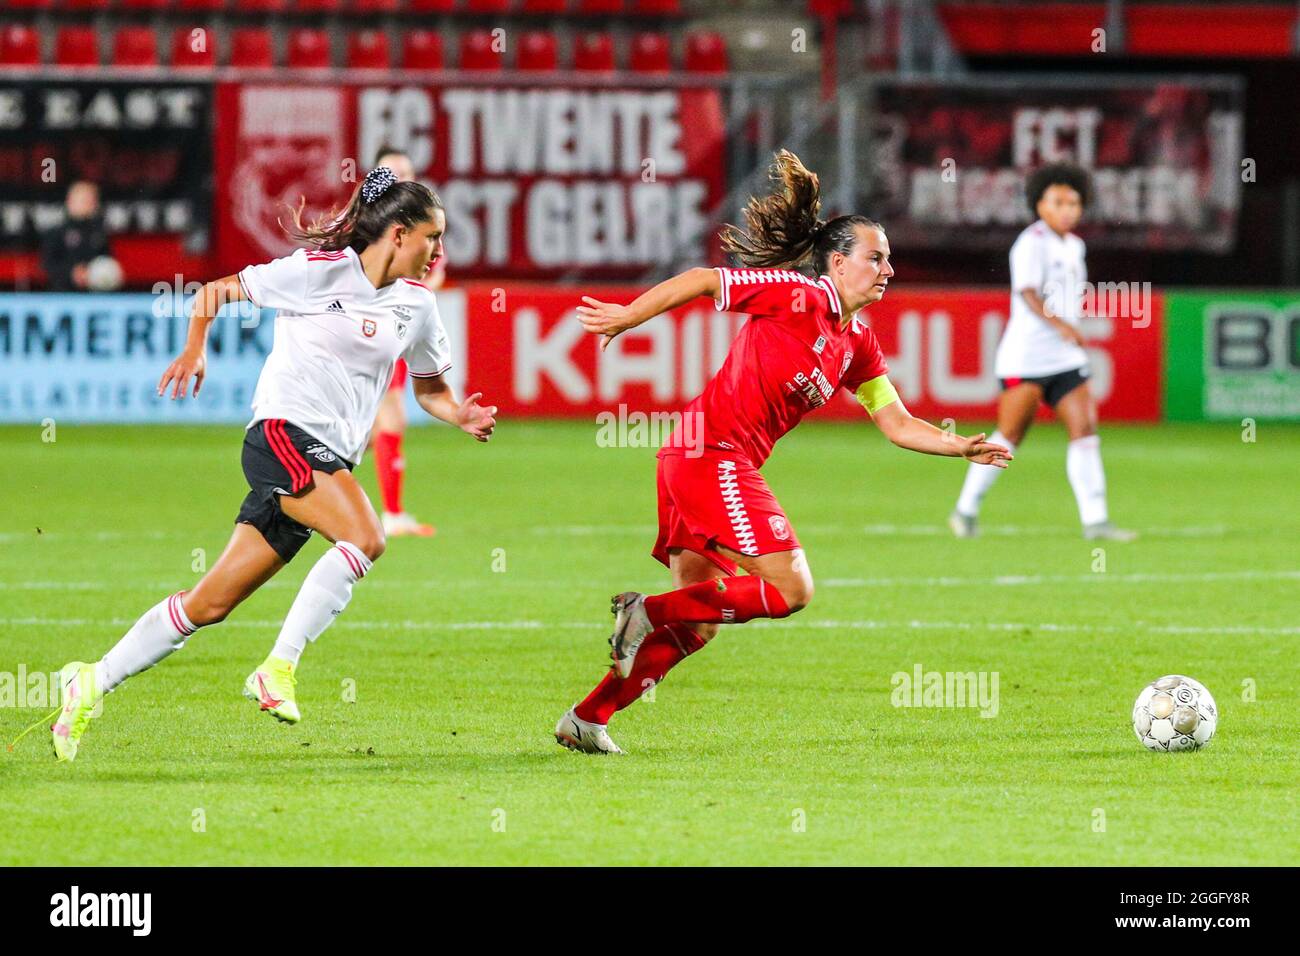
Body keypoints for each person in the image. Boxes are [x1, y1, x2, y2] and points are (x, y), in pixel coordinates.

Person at [553, 150, 1012, 755]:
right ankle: (646, 610)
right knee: (790, 590)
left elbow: (896, 422)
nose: (888, 270)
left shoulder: (857, 345)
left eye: (891, 260)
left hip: (703, 460)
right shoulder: (797, 294)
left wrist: (958, 445)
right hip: (708, 454)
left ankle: (588, 717)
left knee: (699, 625)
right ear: (838, 262)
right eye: (876, 258)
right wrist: (628, 316)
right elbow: (702, 280)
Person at [30, 167, 496, 762]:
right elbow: (214, 292)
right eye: (433, 236)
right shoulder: (316, 274)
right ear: (399, 234)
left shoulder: (418, 308)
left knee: (209, 604)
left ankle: (91, 679)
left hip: (326, 459)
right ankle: (277, 668)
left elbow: (430, 389)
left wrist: (458, 415)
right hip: (281, 433)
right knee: (365, 537)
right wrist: (195, 347)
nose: (439, 251)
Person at [949, 163, 1134, 541]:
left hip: (1065, 359)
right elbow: (1028, 294)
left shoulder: (1075, 245)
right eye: (1058, 201)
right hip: (1027, 356)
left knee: (1085, 431)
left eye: (1074, 202)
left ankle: (1095, 520)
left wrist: (1071, 324)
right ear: (1039, 205)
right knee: (1009, 437)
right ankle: (965, 509)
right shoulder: (1031, 242)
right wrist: (1063, 325)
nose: (1067, 209)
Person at [369, 147, 445, 538]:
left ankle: (305, 481)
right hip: (371, 330)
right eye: (391, 172)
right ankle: (393, 514)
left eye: (406, 172)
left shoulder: (424, 226)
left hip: (398, 330)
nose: (400, 178)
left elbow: (429, 280)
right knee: (391, 417)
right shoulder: (370, 226)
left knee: (369, 430)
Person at [39, 180, 114, 292]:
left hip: (94, 296)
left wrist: (96, 275)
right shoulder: (56, 232)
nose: (89, 204)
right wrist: (72, 274)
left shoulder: (99, 233)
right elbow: (47, 265)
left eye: (92, 200)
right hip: (61, 295)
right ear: (70, 202)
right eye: (84, 200)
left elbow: (106, 262)